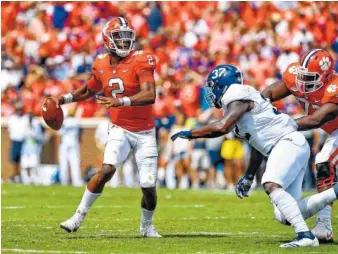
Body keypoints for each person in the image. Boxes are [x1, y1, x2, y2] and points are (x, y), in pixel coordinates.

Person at [171, 64, 338, 247]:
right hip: (288, 145)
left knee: (270, 183)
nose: (212, 93)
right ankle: (334, 193)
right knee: (284, 215)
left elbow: (222, 127)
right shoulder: (238, 100)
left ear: (224, 85)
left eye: (214, 87)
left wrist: (192, 134)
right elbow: (257, 144)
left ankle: (306, 236)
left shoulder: (235, 94)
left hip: (287, 142)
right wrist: (249, 176)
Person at [58, 17, 160, 237]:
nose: (124, 42)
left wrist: (122, 101)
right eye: (119, 38)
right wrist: (65, 99)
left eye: (126, 37)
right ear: (107, 39)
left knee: (148, 185)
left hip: (144, 132)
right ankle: (77, 217)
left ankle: (146, 226)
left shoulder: (141, 59)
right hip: (120, 128)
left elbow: (150, 94)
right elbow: (89, 89)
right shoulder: (101, 62)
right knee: (105, 170)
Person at [258, 49, 338, 243]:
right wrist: (255, 109)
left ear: (326, 76)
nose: (302, 82)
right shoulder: (296, 78)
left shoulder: (334, 88)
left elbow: (317, 119)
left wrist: (282, 124)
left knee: (323, 160)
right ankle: (324, 227)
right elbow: (267, 94)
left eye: (310, 77)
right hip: (333, 133)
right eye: (302, 75)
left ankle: (324, 225)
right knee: (323, 163)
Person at [58, 104, 83, 187]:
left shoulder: (64, 121)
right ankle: (76, 182)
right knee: (74, 164)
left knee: (66, 164)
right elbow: (81, 133)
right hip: (72, 144)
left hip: (66, 144)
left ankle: (64, 182)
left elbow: (59, 132)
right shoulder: (77, 121)